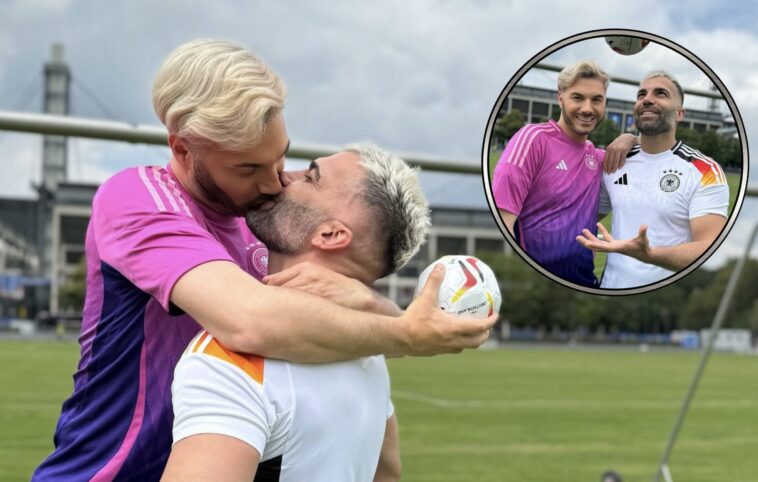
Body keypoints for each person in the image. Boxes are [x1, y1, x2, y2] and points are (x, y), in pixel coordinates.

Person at [32, 39, 495, 481]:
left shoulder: (263, 228)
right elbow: (248, 319)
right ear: (183, 150)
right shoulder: (138, 199)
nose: (275, 181)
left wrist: (369, 302)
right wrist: (407, 332)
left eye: (281, 157)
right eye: (249, 168)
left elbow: (385, 462)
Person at [162, 143, 426, 481]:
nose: (284, 176)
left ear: (330, 234)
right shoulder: (367, 349)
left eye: (311, 177)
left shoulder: (232, 361)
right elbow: (388, 471)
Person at [576, 71, 729, 289]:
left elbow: (709, 248)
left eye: (661, 93)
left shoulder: (705, 170)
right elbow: (581, 220)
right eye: (641, 95)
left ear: (680, 114)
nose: (647, 99)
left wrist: (649, 254)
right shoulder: (614, 161)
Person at [491, 60, 632, 288]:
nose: (587, 108)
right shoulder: (534, 139)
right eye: (578, 98)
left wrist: (631, 138)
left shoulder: (599, 159)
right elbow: (500, 223)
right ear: (560, 99)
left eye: (596, 100)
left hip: (585, 285)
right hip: (533, 285)